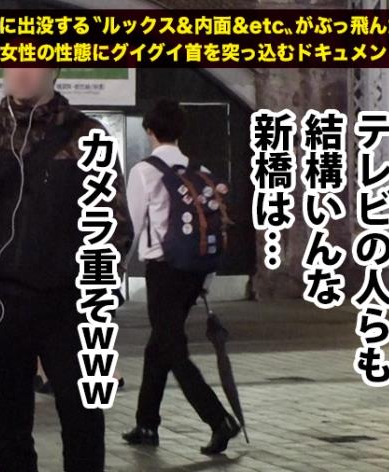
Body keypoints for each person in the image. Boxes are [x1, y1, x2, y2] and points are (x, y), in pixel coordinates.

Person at [0, 69, 133, 472]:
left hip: (70, 305)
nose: (21, 70)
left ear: (54, 69)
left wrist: (95, 293)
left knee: (84, 419)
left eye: (33, 59)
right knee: (7, 425)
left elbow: (115, 225)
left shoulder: (88, 134)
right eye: (13, 59)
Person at [122, 99, 240, 455]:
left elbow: (132, 223)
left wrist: (118, 265)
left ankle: (219, 419)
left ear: (150, 131)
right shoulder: (199, 169)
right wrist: (207, 277)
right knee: (159, 345)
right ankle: (146, 423)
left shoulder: (145, 171)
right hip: (194, 270)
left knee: (173, 349)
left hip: (164, 271)